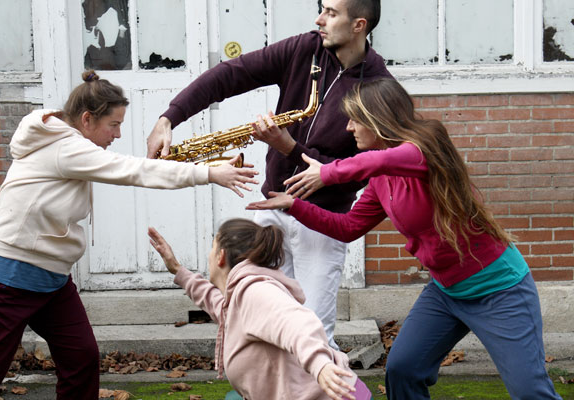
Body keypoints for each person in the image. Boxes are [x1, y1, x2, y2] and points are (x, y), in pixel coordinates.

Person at [246, 78, 562, 400]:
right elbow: (349, 226)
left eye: (355, 119)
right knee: (403, 369)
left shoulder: (425, 147)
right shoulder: (381, 180)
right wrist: (296, 206)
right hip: (445, 292)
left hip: (498, 288)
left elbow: (380, 160)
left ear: (377, 118)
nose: (349, 128)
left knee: (529, 391)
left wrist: (327, 173)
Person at [0, 70, 258, 399]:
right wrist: (210, 173)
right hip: (7, 278)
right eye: (114, 125)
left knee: (81, 358)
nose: (119, 134)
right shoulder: (65, 148)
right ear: (86, 119)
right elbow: (133, 170)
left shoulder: (69, 145)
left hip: (51, 280)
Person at [146, 0, 392, 349]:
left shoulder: (379, 86)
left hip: (322, 222)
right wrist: (168, 118)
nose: (319, 19)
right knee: (254, 321)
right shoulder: (304, 49)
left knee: (314, 336)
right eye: (322, 8)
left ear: (359, 26)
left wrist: (292, 148)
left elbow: (364, 173)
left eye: (331, 13)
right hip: (273, 210)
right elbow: (230, 73)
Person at [148, 218, 373, 400]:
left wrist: (320, 365)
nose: (209, 255)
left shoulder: (255, 292)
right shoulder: (239, 297)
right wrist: (177, 269)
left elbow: (297, 323)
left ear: (221, 256)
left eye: (212, 247)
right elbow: (217, 305)